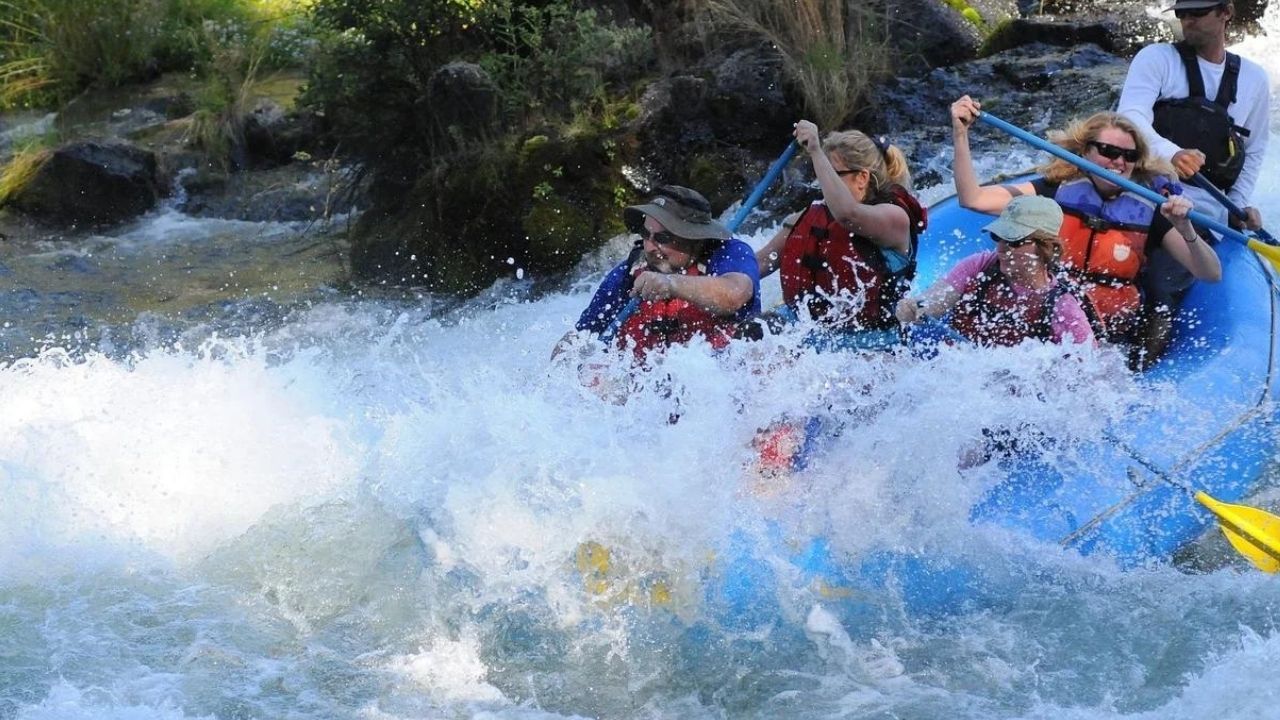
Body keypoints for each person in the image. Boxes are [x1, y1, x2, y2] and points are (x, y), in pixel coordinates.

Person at [950, 96, 1222, 367]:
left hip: (1110, 340)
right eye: (1108, 151)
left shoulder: (1151, 210)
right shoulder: (1055, 191)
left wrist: (1185, 227)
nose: (1119, 162)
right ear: (1084, 152)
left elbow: (1210, 273)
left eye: (1129, 155)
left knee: (1158, 310)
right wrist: (961, 133)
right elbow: (973, 199)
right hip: (1050, 322)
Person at [1116, 0, 1270, 364]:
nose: (1187, 21)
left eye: (1197, 13)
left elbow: (1255, 149)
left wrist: (1238, 204)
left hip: (1201, 205)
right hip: (1143, 184)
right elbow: (1130, 115)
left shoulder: (1254, 79)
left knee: (1163, 284)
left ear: (1226, 13)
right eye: (1182, 14)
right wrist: (1170, 153)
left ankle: (1142, 365)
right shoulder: (1156, 58)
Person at [754, 120, 926, 350]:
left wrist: (816, 149)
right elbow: (762, 262)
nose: (823, 183)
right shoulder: (810, 216)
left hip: (870, 341)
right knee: (751, 334)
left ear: (862, 178)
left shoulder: (894, 218)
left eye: (832, 174)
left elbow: (848, 215)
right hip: (803, 329)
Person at [556, 184, 761, 362]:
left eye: (662, 238)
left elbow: (734, 295)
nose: (650, 247)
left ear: (695, 240)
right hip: (647, 389)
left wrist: (670, 283)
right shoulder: (632, 270)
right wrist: (568, 368)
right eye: (646, 234)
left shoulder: (730, 253)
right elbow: (580, 335)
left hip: (714, 383)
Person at [895, 195, 1096, 347]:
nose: (1002, 248)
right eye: (998, 237)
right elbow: (935, 299)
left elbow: (1089, 371)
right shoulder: (979, 266)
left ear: (1046, 248)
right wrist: (916, 306)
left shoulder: (1063, 308)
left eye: (1014, 241)